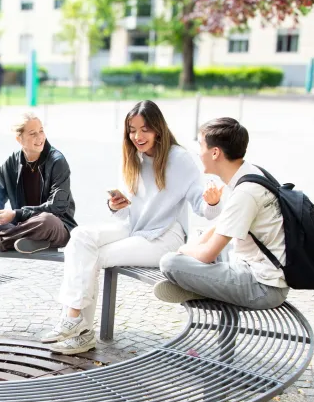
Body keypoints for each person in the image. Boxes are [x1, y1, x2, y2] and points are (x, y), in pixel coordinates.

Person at [43, 100, 222, 355]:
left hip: (165, 236)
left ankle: (78, 328)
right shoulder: (132, 158)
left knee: (95, 256)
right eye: (132, 129)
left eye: (144, 129)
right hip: (135, 227)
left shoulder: (179, 159)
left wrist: (213, 202)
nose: (137, 136)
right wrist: (116, 205)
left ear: (158, 129)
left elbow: (202, 208)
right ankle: (75, 322)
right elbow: (126, 212)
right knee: (80, 236)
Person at [157, 117, 288, 310]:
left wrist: (183, 251)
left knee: (169, 263)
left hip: (262, 287)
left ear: (215, 152)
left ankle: (201, 288)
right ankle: (203, 285)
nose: (199, 153)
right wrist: (196, 246)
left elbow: (207, 255)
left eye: (201, 146)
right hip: (255, 270)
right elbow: (221, 226)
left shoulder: (245, 193)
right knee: (201, 235)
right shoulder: (250, 173)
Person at [0, 112, 74, 254]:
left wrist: (16, 214)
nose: (40, 137)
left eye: (41, 131)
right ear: (19, 139)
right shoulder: (12, 163)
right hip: (22, 224)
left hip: (55, 225)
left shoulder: (57, 161)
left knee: (47, 220)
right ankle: (29, 240)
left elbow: (58, 207)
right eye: (33, 133)